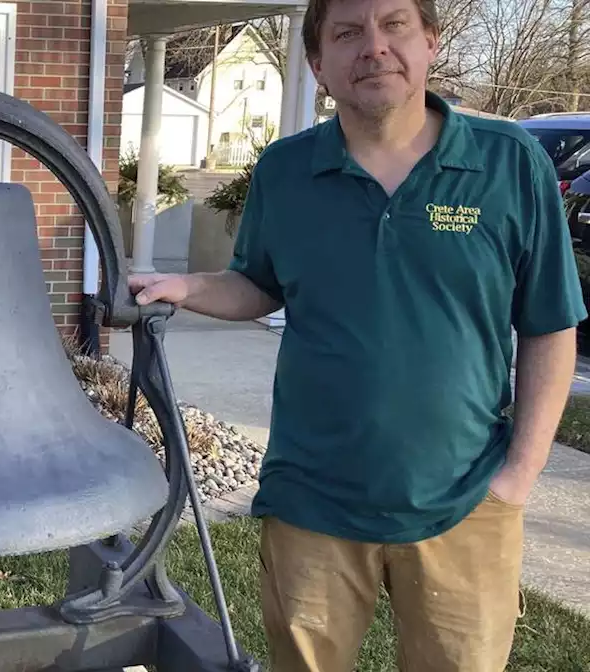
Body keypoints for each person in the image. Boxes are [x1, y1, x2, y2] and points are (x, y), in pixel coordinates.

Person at [130, 0, 583, 670]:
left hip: (464, 500)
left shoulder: (510, 163)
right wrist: (192, 288)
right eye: (347, 33)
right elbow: (259, 283)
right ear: (318, 65)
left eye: (394, 24)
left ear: (429, 42)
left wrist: (520, 475)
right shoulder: (286, 171)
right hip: (311, 500)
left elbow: (549, 325)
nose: (373, 47)